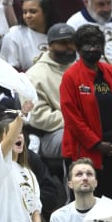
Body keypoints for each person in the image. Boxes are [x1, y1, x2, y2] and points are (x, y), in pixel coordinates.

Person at [60, 25, 112, 200]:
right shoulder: (71, 77)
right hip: (84, 151)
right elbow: (72, 119)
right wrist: (97, 144)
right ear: (78, 48)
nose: (92, 48)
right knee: (86, 202)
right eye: (87, 44)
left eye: (97, 44)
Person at [25, 23, 77, 159]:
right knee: (78, 139)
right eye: (63, 43)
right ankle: (74, 180)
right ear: (50, 45)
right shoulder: (34, 75)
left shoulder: (81, 66)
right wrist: (77, 121)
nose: (70, 47)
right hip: (50, 134)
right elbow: (37, 116)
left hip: (83, 125)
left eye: (72, 42)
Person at [1, 0, 56, 71]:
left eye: (33, 11)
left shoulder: (57, 33)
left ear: (46, 12)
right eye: (24, 12)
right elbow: (9, 70)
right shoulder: (14, 34)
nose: (27, 16)